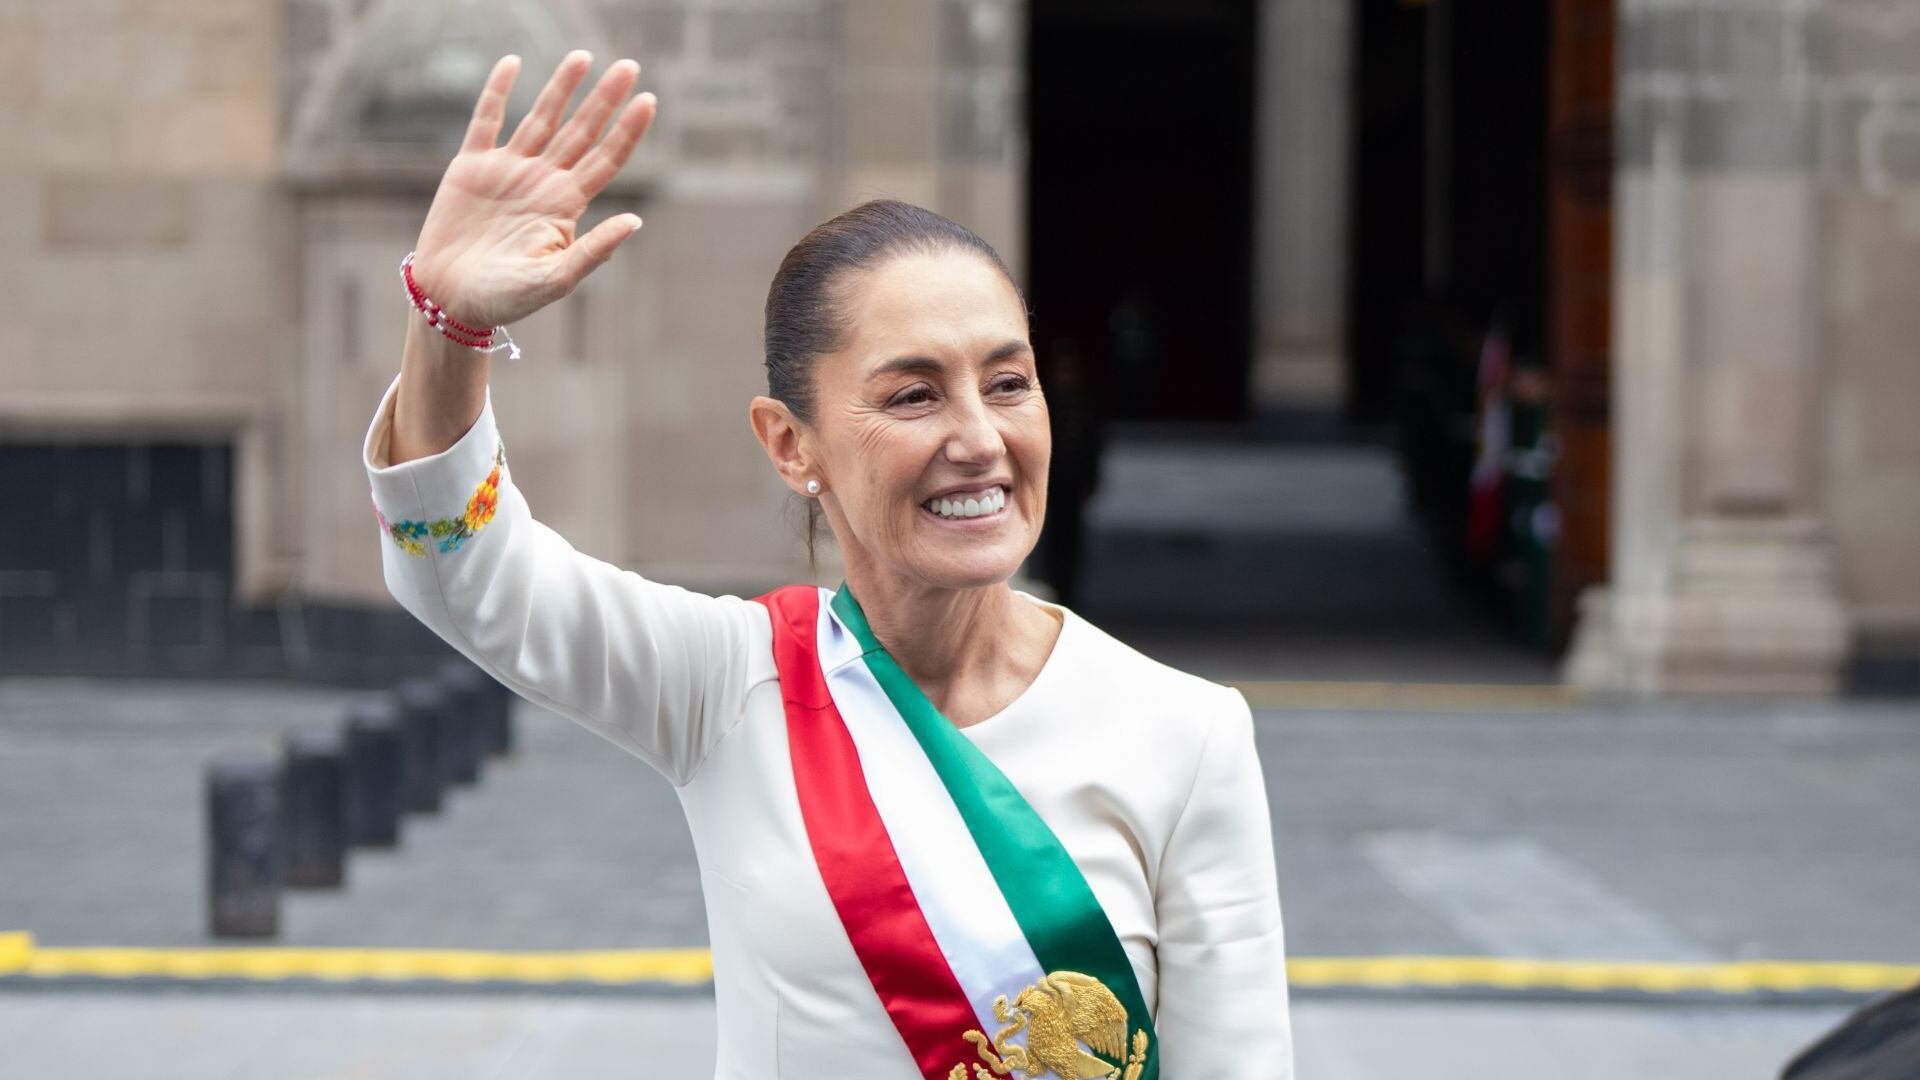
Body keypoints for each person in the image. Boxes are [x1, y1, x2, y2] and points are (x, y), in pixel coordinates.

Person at [363, 50, 1293, 1079]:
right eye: (913, 396)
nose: (980, 437)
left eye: (1008, 382)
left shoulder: (1189, 735)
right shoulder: (729, 685)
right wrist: (445, 325)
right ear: (788, 444)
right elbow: (464, 572)